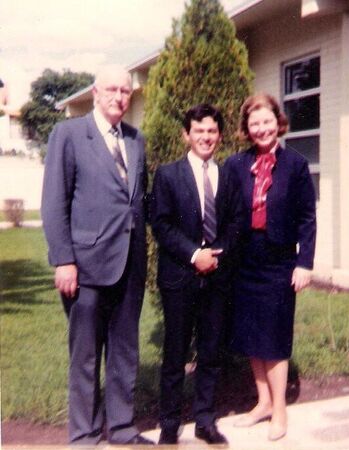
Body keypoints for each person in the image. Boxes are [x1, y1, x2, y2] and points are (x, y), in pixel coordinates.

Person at [41, 65, 153, 446]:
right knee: (85, 357)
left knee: (124, 353)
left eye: (126, 91)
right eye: (112, 90)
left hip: (130, 265)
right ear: (95, 92)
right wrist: (63, 260)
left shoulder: (136, 139)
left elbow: (136, 201)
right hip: (85, 267)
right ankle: (85, 435)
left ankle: (122, 428)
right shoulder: (69, 135)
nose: (120, 97)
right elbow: (55, 201)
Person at [150, 104, 245, 446]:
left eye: (212, 131)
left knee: (210, 353)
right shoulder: (167, 174)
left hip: (217, 278)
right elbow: (160, 224)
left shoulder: (229, 175)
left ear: (219, 135)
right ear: (186, 135)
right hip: (180, 277)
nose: (205, 137)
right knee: (175, 354)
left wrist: (218, 253)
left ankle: (205, 420)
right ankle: (170, 425)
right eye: (199, 131)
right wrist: (194, 255)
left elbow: (237, 221)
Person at [225, 93, 316, 441]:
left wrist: (304, 263)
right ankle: (262, 402)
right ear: (247, 129)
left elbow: (308, 217)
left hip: (279, 259)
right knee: (251, 334)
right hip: (245, 259)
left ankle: (279, 410)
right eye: (254, 123)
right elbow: (228, 214)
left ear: (278, 123)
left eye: (267, 122)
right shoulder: (235, 165)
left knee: (275, 337)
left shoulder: (296, 164)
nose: (261, 129)